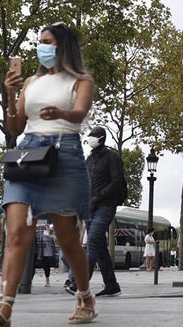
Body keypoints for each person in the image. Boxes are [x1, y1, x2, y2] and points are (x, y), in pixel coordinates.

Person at [0, 23, 97, 326]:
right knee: (17, 233)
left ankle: (84, 295)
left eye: (47, 41)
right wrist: (10, 92)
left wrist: (61, 113)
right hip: (27, 155)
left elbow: (80, 113)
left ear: (64, 46)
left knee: (68, 240)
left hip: (63, 154)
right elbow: (15, 128)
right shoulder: (30, 81)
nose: (41, 46)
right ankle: (4, 309)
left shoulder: (81, 81)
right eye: (39, 41)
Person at [65, 126, 124, 297]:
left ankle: (79, 283)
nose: (90, 138)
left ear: (102, 138)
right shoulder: (89, 159)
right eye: (89, 135)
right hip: (90, 208)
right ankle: (112, 285)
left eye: (93, 135)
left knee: (92, 243)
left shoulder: (112, 157)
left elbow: (117, 182)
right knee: (99, 248)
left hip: (105, 206)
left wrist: (97, 198)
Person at [34, 220, 56, 287]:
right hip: (35, 240)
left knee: (46, 262)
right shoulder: (34, 214)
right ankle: (29, 280)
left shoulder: (48, 216)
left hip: (46, 241)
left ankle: (47, 280)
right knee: (32, 261)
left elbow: (53, 226)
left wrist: (48, 228)